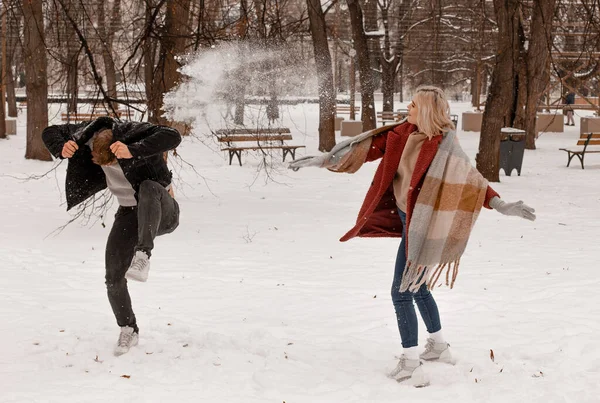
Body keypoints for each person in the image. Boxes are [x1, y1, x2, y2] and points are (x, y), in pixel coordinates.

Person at [289, 86, 536, 387]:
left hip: (424, 225)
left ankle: (410, 365)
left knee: (401, 291)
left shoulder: (445, 145)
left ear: (428, 112)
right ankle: (439, 347)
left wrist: (500, 205)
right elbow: (365, 148)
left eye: (415, 104)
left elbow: (473, 182)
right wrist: (325, 161)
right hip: (406, 218)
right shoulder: (403, 132)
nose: (409, 106)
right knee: (417, 287)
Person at [42, 117, 182, 356]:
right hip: (129, 213)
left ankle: (143, 255)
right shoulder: (85, 135)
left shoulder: (134, 133)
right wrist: (60, 146)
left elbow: (173, 135)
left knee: (147, 186)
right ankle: (128, 328)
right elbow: (49, 131)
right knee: (113, 277)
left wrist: (133, 150)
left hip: (162, 209)